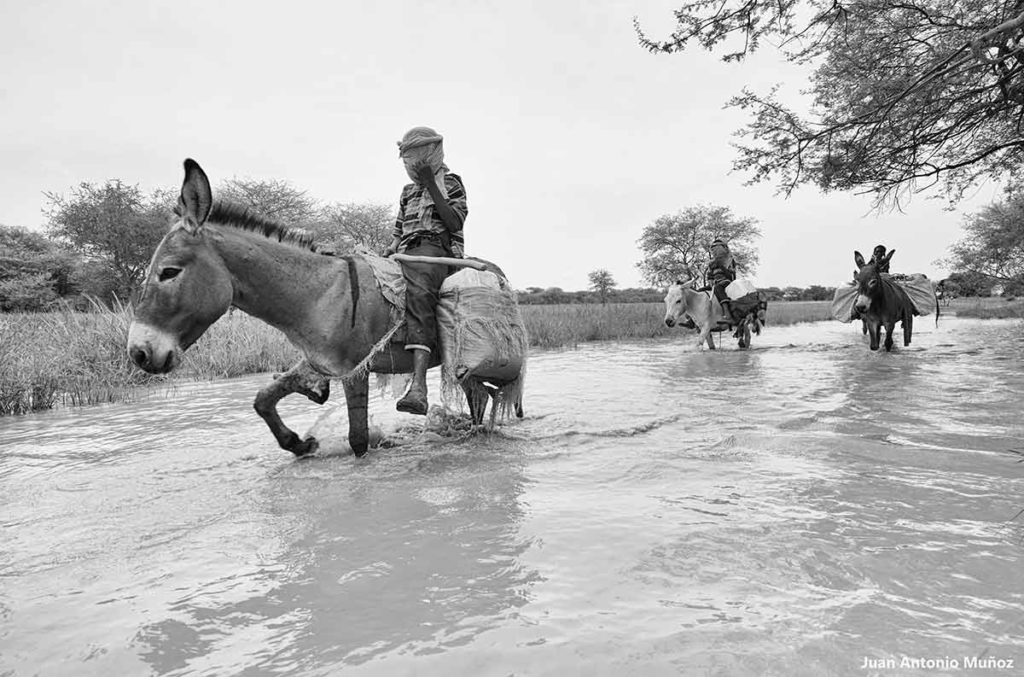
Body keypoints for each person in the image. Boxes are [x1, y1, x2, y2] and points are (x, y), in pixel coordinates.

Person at [383, 126, 468, 415]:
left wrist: (432, 183)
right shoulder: (407, 192)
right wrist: (383, 254)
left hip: (436, 251)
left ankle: (419, 386)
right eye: (408, 159)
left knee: (419, 292)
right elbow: (397, 234)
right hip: (406, 251)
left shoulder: (452, 182)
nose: (411, 165)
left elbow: (455, 223)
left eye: (416, 158)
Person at [707, 238, 738, 320]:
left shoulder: (729, 260)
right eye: (714, 248)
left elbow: (730, 275)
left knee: (718, 288)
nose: (716, 250)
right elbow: (709, 275)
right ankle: (693, 319)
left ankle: (726, 311)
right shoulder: (711, 263)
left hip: (726, 282)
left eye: (718, 247)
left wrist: (721, 266)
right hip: (715, 283)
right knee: (701, 290)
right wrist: (710, 281)